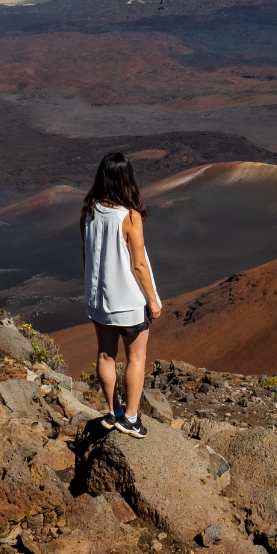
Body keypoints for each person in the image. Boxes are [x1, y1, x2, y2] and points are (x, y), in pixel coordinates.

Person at [81, 152, 162, 438]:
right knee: (136, 358)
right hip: (127, 301)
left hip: (98, 299)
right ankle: (130, 419)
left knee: (105, 354)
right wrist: (152, 300)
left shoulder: (89, 211)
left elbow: (87, 257)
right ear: (127, 179)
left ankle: (114, 411)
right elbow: (138, 264)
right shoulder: (129, 216)